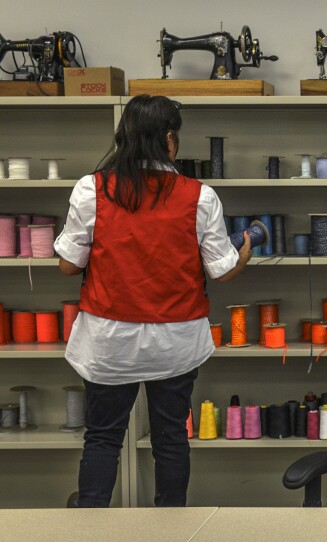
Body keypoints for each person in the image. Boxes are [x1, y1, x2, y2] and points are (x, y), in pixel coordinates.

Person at [53, 94, 252, 507]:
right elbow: (220, 269)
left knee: (103, 437)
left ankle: (90, 526)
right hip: (175, 341)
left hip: (110, 340)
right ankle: (170, 527)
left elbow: (68, 267)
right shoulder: (200, 196)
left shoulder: (92, 189)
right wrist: (243, 255)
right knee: (171, 437)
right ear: (170, 140)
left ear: (123, 138)